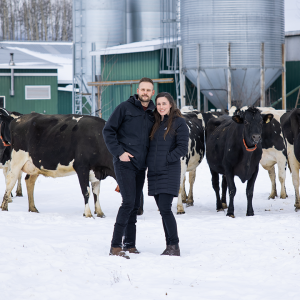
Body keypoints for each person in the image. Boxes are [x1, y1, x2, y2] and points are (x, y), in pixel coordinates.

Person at [102, 77, 155, 259]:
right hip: (125, 163)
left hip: (141, 165)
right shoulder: (124, 108)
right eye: (143, 89)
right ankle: (115, 246)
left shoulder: (153, 113)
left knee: (135, 205)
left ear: (152, 93)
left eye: (148, 90)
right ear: (138, 90)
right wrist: (119, 153)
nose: (145, 93)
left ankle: (130, 244)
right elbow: (108, 130)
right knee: (128, 203)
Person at [146, 92, 189, 256]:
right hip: (154, 173)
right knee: (163, 210)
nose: (161, 107)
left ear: (171, 104)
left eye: (164, 103)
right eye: (158, 104)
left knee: (165, 209)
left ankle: (174, 246)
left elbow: (182, 148)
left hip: (169, 171)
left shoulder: (179, 123)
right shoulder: (155, 123)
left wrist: (165, 160)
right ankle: (169, 245)